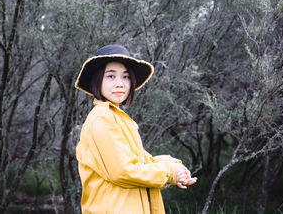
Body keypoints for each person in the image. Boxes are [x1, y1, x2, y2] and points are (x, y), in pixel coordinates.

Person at [75, 44, 197, 214]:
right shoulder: (101, 119)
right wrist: (168, 172)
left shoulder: (117, 117)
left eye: (125, 77)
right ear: (97, 80)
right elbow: (123, 171)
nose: (120, 84)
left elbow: (140, 162)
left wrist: (173, 167)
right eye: (111, 76)